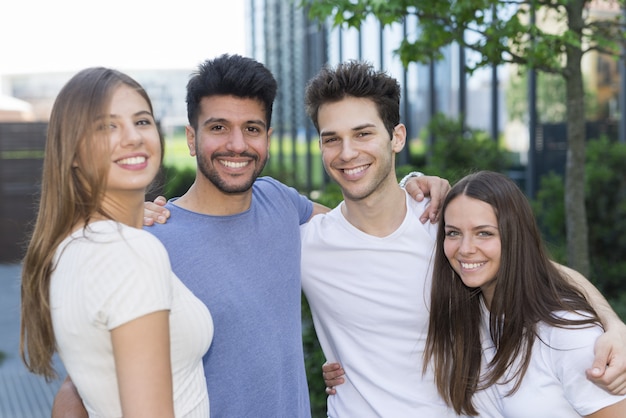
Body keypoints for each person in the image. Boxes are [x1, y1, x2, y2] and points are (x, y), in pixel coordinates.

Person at [49, 54, 450, 418]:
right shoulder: (153, 239)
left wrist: (415, 187)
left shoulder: (280, 204)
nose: (236, 144)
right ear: (192, 139)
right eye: (218, 127)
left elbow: (361, 226)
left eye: (251, 128)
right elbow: (80, 387)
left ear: (268, 140)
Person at [304, 61, 626, 417]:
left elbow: (538, 269)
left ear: (397, 137)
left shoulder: (447, 224)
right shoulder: (308, 245)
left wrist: (614, 326)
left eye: (363, 134)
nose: (346, 152)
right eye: (331, 139)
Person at [20, 68, 213, 417]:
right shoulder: (130, 252)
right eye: (107, 126)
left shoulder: (70, 248)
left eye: (141, 121)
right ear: (73, 151)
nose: (133, 137)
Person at [424, 170, 626, 417]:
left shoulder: (569, 336)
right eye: (453, 232)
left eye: (484, 233)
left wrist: (614, 324)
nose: (465, 249)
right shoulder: (469, 315)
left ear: (515, 237)